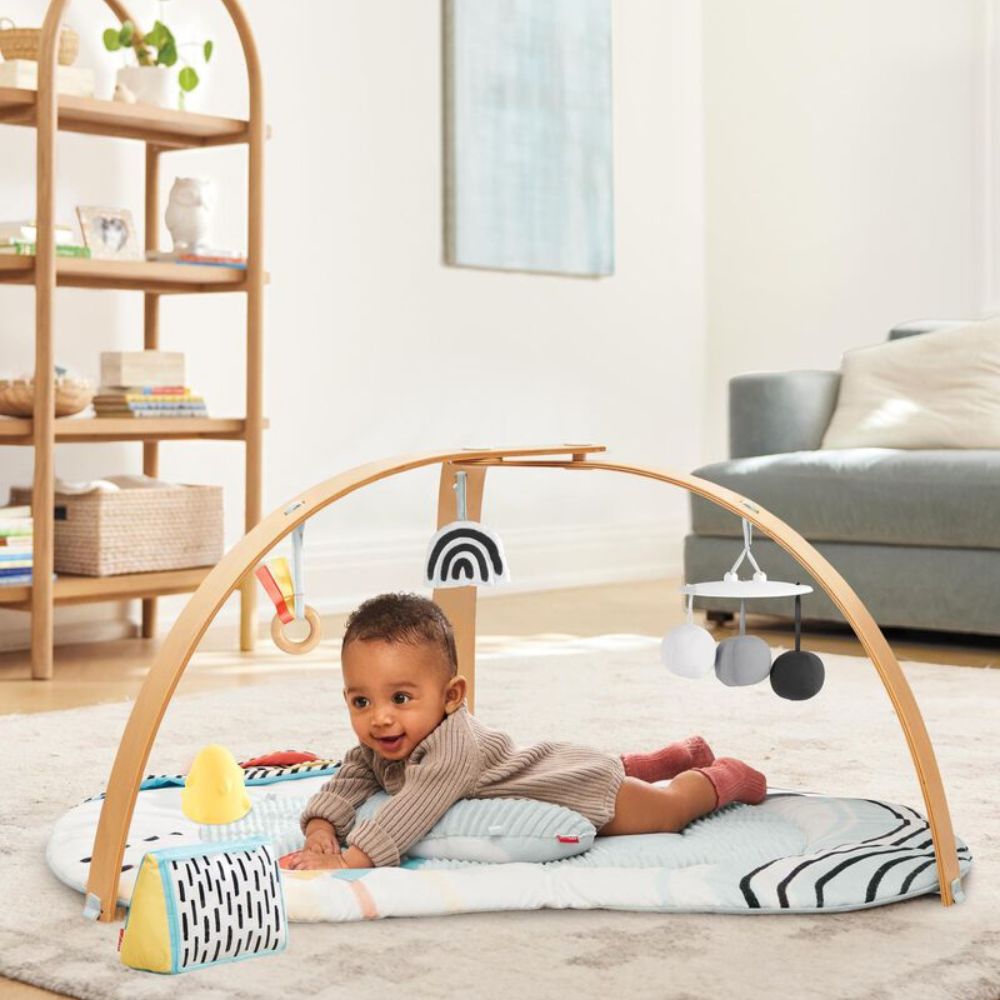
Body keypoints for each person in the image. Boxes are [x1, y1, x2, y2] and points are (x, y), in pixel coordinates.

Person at [284, 593, 766, 871]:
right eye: (361, 702)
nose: (380, 718)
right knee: (603, 765)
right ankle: (671, 757)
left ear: (451, 695)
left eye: (401, 698)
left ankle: (725, 776)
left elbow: (411, 811)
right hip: (548, 762)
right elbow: (349, 778)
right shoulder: (383, 741)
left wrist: (349, 861)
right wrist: (321, 827)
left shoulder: (450, 749)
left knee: (667, 811)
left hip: (577, 788)